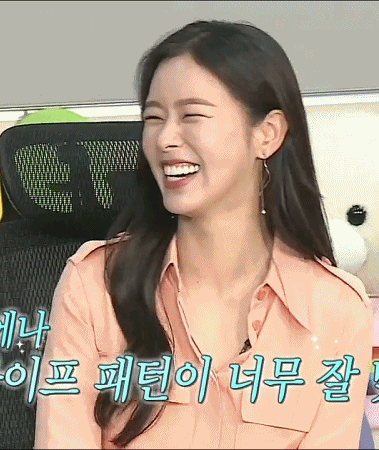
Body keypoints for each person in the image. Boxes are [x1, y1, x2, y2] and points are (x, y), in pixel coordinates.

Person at [34, 19, 373, 449]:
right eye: (154, 118)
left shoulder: (336, 309)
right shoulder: (93, 284)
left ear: (267, 134)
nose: (165, 138)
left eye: (192, 115)